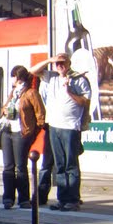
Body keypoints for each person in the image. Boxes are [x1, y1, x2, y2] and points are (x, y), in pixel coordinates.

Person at [30, 53, 90, 211]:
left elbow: (85, 101)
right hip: (54, 125)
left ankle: (73, 199)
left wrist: (69, 91)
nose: (60, 66)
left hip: (71, 127)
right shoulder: (51, 77)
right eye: (57, 63)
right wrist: (50, 60)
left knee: (71, 164)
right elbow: (33, 71)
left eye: (62, 63)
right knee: (60, 165)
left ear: (69, 63)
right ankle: (63, 199)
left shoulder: (79, 80)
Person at [0, 65, 46, 209]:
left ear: (18, 78)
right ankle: (8, 198)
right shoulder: (13, 93)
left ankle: (24, 199)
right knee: (8, 166)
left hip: (21, 132)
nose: (11, 79)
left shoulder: (31, 93)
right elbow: (3, 109)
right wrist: (4, 110)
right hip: (7, 131)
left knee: (21, 167)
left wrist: (32, 133)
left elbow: (40, 114)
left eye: (13, 76)